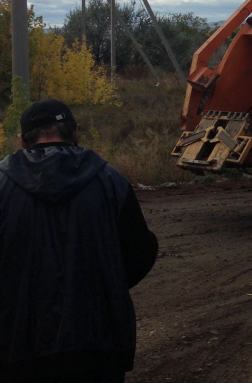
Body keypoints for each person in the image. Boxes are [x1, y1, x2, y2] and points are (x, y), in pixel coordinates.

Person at [0, 99, 158, 383]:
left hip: (17, 346)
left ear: (22, 140)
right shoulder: (110, 180)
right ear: (75, 132)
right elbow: (140, 253)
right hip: (99, 345)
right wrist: (103, 287)